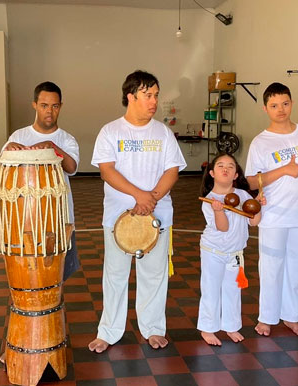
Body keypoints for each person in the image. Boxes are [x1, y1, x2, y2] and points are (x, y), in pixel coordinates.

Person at [88, 70, 186, 352]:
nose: (154, 101)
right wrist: (138, 195)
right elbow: (107, 171)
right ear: (131, 97)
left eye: (156, 95)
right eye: (148, 95)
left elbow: (172, 170)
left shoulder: (163, 132)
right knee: (115, 274)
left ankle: (153, 328)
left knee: (154, 275)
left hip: (157, 215)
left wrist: (151, 198)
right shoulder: (111, 131)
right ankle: (109, 331)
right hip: (119, 217)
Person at [245, 83, 298, 337]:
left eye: (285, 103)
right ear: (266, 108)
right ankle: (266, 317)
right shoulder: (261, 142)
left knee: (297, 267)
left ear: (292, 103)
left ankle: (291, 316)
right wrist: (284, 170)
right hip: (274, 214)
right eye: (274, 105)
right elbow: (252, 181)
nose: (281, 110)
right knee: (271, 267)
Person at [1, 81, 80, 279]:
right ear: (34, 105)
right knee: (27, 277)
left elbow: (71, 168)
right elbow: (0, 171)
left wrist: (52, 147)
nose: (50, 111)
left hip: (59, 219)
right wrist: (9, 152)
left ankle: (57, 309)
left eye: (55, 106)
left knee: (57, 276)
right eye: (44, 105)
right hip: (24, 220)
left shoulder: (67, 139)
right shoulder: (19, 136)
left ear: (60, 107)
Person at [198, 153, 262, 345]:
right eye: (220, 166)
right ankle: (208, 328)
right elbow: (223, 227)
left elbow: (254, 222)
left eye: (230, 166)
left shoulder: (243, 195)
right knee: (211, 289)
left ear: (235, 175)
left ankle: (231, 326)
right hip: (213, 251)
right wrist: (219, 211)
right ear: (211, 173)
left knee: (233, 291)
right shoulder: (210, 200)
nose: (225, 169)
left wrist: (257, 206)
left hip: (235, 253)